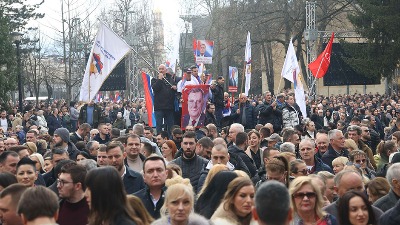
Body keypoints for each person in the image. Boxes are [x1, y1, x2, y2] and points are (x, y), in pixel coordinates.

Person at [133, 155, 168, 219]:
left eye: (159, 170)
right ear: (144, 176)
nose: (155, 175)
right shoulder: (135, 201)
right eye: (150, 171)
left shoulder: (176, 197)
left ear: (166, 173)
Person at [152, 64, 177, 135]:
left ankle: (170, 139)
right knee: (159, 125)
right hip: (159, 107)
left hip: (169, 107)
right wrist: (160, 79)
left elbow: (175, 89)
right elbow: (155, 88)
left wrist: (175, 88)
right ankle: (159, 138)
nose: (161, 70)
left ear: (166, 70)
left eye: (162, 69)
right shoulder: (154, 80)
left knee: (170, 126)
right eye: (159, 69)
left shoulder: (171, 79)